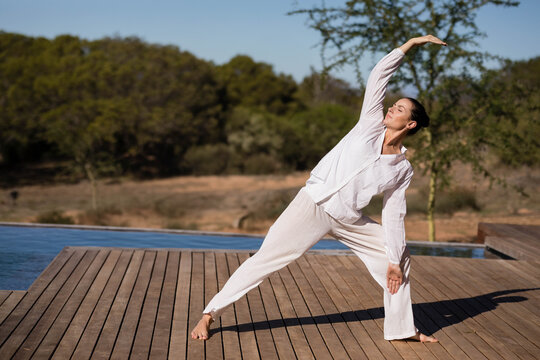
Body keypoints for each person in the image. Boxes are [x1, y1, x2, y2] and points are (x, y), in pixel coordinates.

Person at [191, 35, 447, 342]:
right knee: (266, 258)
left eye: (400, 109)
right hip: (312, 204)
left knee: (399, 257)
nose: (392, 109)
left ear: (411, 124)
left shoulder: (402, 168)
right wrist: (408, 46)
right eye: (393, 105)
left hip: (348, 218)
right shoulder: (368, 126)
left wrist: (392, 258)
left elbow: (394, 214)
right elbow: (378, 76)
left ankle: (404, 329)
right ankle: (209, 314)